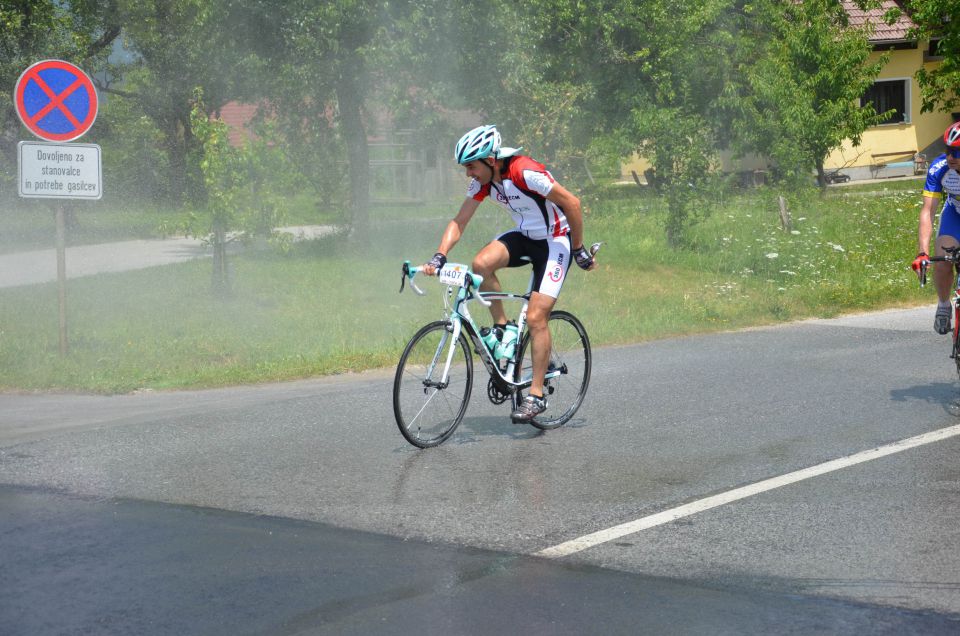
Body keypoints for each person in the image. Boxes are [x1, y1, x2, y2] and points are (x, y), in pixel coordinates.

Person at [422, 124, 596, 423]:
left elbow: (572, 203)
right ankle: (502, 326)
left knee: (536, 317)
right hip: (526, 235)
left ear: (491, 161)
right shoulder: (485, 182)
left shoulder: (524, 172)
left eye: (471, 167)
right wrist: (439, 255)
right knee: (481, 264)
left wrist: (578, 248)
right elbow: (460, 221)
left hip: (555, 242)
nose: (468, 174)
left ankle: (537, 396)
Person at [913, 122, 960, 334]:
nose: (951, 156)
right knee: (943, 261)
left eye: (957, 152)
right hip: (955, 214)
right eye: (949, 150)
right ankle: (943, 305)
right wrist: (922, 253)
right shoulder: (940, 168)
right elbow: (927, 212)